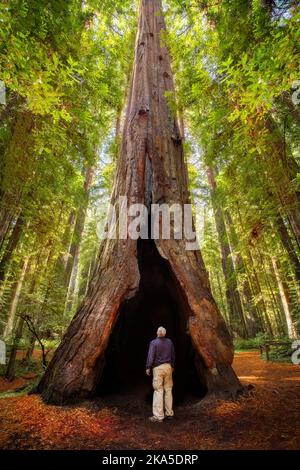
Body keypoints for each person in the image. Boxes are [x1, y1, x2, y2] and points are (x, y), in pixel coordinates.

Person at [146, 326, 175, 422]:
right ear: (165, 334)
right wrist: (172, 366)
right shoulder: (169, 342)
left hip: (158, 368)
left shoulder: (154, 343)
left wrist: (148, 366)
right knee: (168, 390)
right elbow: (172, 355)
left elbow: (151, 355)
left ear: (157, 333)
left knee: (158, 390)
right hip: (168, 367)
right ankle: (169, 413)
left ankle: (159, 416)